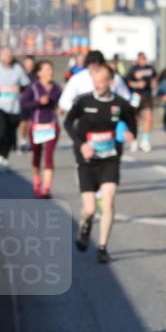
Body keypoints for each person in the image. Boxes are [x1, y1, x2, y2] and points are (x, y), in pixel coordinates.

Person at [64, 63, 136, 264]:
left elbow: (132, 125)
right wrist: (81, 145)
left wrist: (130, 134)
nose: (97, 84)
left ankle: (103, 247)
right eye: (94, 81)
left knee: (109, 200)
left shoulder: (121, 104)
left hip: (110, 159)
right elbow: (68, 124)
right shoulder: (83, 101)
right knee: (89, 209)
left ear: (111, 82)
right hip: (87, 160)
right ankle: (85, 225)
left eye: (101, 81)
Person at [19, 60, 62, 197]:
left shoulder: (56, 88)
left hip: (52, 125)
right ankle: (37, 182)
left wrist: (61, 110)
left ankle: (46, 188)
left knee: (49, 156)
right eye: (47, 69)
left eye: (51, 69)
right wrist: (38, 102)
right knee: (37, 156)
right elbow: (24, 103)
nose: (50, 72)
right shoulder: (33, 87)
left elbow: (61, 104)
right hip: (37, 126)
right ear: (39, 73)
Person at [0, 48, 30, 171]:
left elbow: (26, 85)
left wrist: (19, 89)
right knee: (1, 131)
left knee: (10, 134)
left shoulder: (17, 69)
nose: (7, 57)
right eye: (5, 55)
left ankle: (5, 158)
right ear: (0, 56)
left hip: (14, 107)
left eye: (10, 55)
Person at [58, 49, 131, 113]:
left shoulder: (114, 78)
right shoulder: (77, 79)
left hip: (109, 123)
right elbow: (64, 102)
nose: (95, 73)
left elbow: (126, 98)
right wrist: (83, 111)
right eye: (91, 68)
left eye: (97, 68)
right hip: (84, 123)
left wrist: (114, 112)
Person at [125, 52, 157, 152]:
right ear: (138, 59)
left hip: (147, 96)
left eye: (144, 58)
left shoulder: (150, 69)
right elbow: (127, 82)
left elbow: (155, 78)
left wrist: (154, 84)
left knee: (149, 117)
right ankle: (134, 139)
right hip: (135, 96)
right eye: (141, 58)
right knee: (135, 119)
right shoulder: (133, 69)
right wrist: (137, 84)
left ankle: (145, 140)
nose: (143, 60)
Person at [17, 55, 36, 153]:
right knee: (23, 123)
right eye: (27, 64)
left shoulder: (36, 75)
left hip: (34, 102)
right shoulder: (20, 74)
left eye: (31, 64)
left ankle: (31, 142)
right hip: (23, 102)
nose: (29, 66)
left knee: (32, 124)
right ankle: (23, 141)